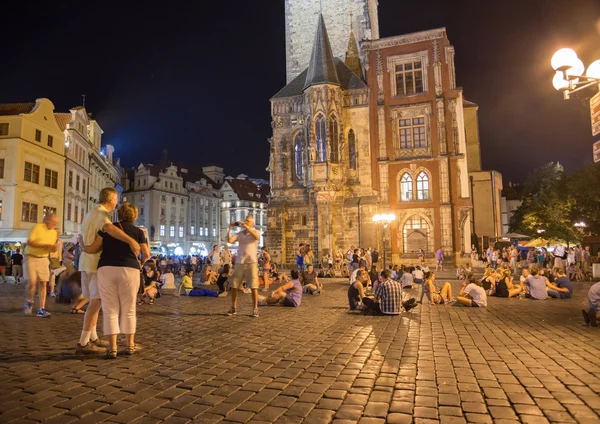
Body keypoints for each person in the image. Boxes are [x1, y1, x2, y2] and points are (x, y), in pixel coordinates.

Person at [76, 187, 141, 355]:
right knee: (96, 303)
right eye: (116, 198)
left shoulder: (91, 212)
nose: (117, 202)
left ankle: (93, 337)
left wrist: (83, 245)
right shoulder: (102, 215)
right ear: (111, 199)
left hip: (87, 261)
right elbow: (110, 229)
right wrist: (131, 241)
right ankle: (83, 343)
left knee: (97, 303)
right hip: (94, 263)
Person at [23, 214, 60, 318]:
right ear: (46, 220)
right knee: (32, 282)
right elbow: (30, 242)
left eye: (55, 223)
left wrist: (53, 248)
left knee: (44, 283)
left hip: (43, 258)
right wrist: (45, 246)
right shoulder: (38, 227)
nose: (53, 224)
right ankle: (29, 301)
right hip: (31, 256)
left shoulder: (53, 233)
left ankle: (41, 309)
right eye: (52, 222)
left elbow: (50, 247)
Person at [226, 216, 261, 317]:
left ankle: (255, 309)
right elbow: (230, 240)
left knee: (254, 286)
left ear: (252, 223)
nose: (246, 222)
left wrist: (247, 226)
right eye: (245, 220)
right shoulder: (240, 234)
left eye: (248, 221)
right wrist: (230, 228)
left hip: (252, 262)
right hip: (239, 262)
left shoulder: (255, 231)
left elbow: (257, 237)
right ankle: (233, 308)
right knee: (234, 286)